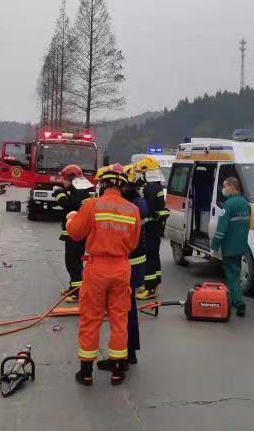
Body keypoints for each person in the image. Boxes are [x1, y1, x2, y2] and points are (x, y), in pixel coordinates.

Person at [66, 164, 140, 387]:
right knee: (120, 319)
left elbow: (75, 233)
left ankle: (86, 371)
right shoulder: (132, 210)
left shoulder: (92, 205)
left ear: (103, 184)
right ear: (122, 186)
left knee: (91, 319)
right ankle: (118, 369)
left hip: (97, 269)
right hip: (121, 269)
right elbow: (134, 243)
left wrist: (71, 218)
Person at [98, 165, 146, 372]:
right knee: (126, 310)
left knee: (122, 312)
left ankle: (124, 354)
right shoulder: (135, 203)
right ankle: (128, 352)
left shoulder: (132, 205)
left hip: (125, 264)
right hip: (129, 264)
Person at [53, 164, 93, 301]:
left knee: (73, 262)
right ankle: (73, 287)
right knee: (72, 261)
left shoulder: (80, 191)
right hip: (75, 232)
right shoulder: (80, 190)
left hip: (76, 234)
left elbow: (68, 205)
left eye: (64, 179)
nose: (63, 182)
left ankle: (77, 292)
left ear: (72, 179)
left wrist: (59, 194)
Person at [211, 176, 250, 317]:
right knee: (236, 273)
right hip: (241, 247)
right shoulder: (246, 204)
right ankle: (234, 299)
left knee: (232, 276)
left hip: (229, 247)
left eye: (225, 186)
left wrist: (214, 246)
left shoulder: (228, 205)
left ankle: (239, 303)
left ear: (232, 187)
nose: (224, 189)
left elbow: (221, 229)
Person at [134, 157, 169, 301]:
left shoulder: (149, 188)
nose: (139, 176)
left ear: (147, 173)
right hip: (155, 227)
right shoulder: (158, 187)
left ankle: (150, 289)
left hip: (149, 228)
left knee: (149, 257)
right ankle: (154, 283)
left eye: (141, 173)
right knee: (154, 256)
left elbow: (145, 209)